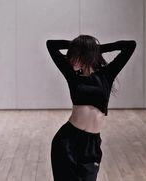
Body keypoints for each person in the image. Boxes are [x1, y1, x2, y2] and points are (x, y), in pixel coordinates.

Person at [46, 35, 136, 181]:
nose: (70, 59)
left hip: (92, 145)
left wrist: (94, 49)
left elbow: (130, 45)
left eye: (75, 55)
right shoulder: (72, 75)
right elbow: (51, 44)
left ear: (85, 56)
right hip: (67, 141)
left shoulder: (106, 74)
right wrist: (80, 46)